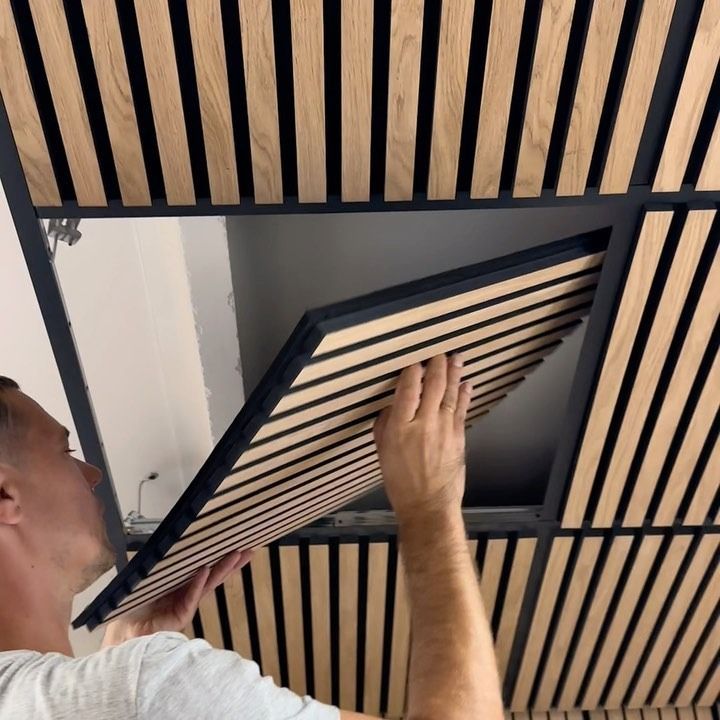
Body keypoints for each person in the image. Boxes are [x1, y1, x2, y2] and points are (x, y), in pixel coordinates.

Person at [0, 354, 504, 720]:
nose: (91, 474)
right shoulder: (141, 688)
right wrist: (430, 505)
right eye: (65, 453)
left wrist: (118, 671)